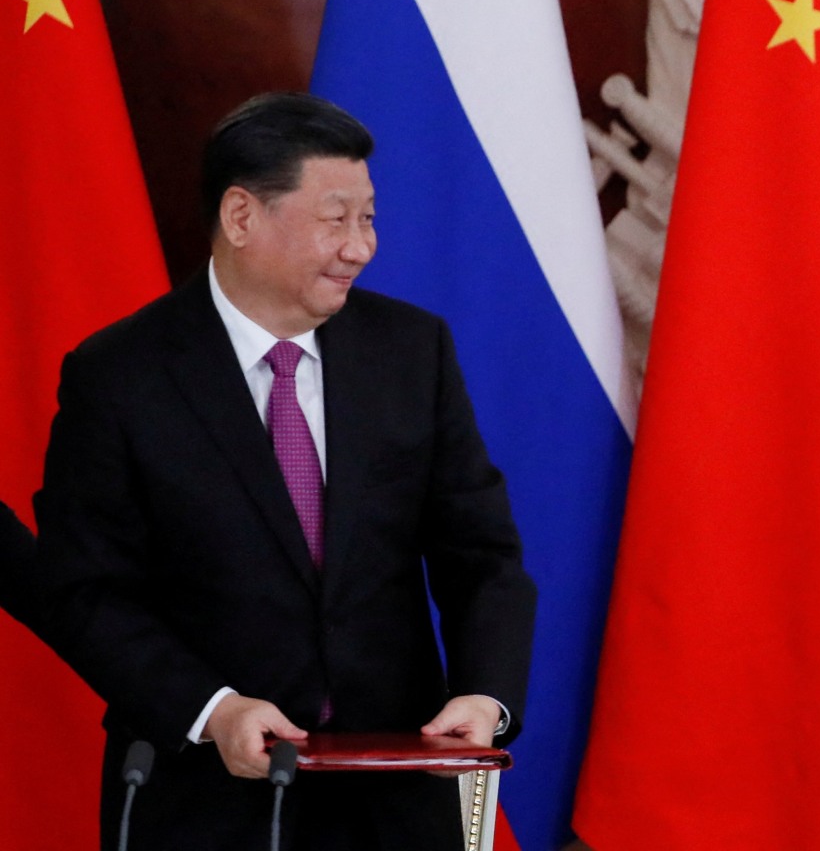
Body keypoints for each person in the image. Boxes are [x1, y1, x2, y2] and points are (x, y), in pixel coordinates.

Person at [35, 93, 537, 851]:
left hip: (393, 795)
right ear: (242, 218)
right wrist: (211, 708)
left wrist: (485, 694)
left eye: (368, 218)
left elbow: (483, 554)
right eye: (336, 219)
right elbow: (86, 588)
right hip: (203, 798)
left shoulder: (411, 352)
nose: (361, 247)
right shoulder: (120, 376)